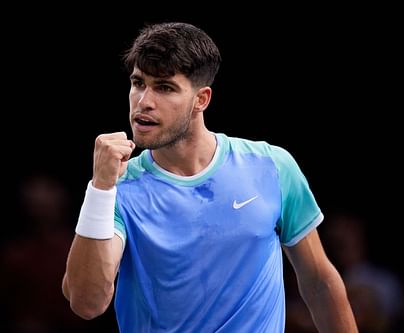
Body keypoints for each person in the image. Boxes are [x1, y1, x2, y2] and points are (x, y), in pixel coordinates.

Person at [62, 22, 358, 332]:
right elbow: (87, 303)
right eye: (138, 83)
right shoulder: (119, 189)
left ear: (201, 100)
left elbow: (319, 282)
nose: (143, 101)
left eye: (164, 87)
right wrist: (100, 189)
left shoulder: (272, 166)